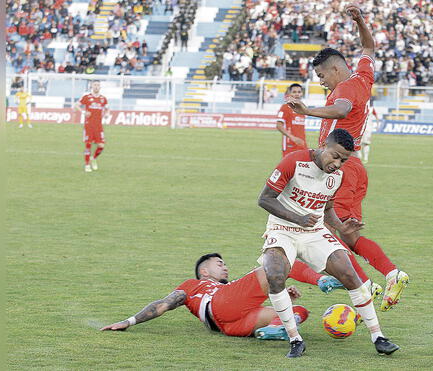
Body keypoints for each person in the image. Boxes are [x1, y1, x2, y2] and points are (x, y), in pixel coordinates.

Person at [285, 4, 409, 313]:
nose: (321, 80)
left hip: (342, 168)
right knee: (344, 232)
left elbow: (340, 111)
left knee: (326, 232)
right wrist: (359, 20)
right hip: (346, 168)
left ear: (335, 69)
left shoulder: (347, 89)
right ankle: (387, 274)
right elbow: (368, 46)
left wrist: (306, 109)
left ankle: (368, 283)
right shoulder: (362, 77)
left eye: (321, 75)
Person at [258, 129, 399, 358]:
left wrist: (342, 227)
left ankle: (379, 337)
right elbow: (264, 199)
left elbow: (328, 208)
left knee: (349, 273)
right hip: (282, 229)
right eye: (335, 156)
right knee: (275, 274)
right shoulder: (294, 161)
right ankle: (295, 340)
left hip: (314, 232)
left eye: (343, 160)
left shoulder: (336, 177)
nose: (337, 164)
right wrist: (298, 218)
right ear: (324, 145)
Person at [100, 253, 338, 340]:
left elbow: (244, 305)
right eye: (219, 264)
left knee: (299, 312)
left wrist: (283, 293)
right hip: (221, 306)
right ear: (204, 272)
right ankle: (322, 280)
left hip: (229, 326)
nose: (225, 267)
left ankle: (272, 331)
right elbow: (165, 303)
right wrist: (129, 321)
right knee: (277, 261)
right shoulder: (194, 285)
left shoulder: (230, 287)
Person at [75, 80, 109, 173]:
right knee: (88, 145)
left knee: (101, 145)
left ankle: (93, 158)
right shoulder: (87, 97)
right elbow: (77, 105)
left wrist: (107, 114)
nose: (96, 87)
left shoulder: (103, 99)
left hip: (99, 126)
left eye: (98, 85)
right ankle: (87, 165)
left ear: (100, 87)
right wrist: (83, 112)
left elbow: (107, 109)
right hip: (89, 125)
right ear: (91, 86)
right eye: (95, 85)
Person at [276, 83, 307, 157]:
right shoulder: (285, 107)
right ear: (289, 93)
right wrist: (292, 138)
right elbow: (279, 125)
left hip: (302, 144)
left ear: (302, 94)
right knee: (289, 167)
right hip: (290, 145)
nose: (297, 94)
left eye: (299, 92)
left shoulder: (303, 108)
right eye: (294, 92)